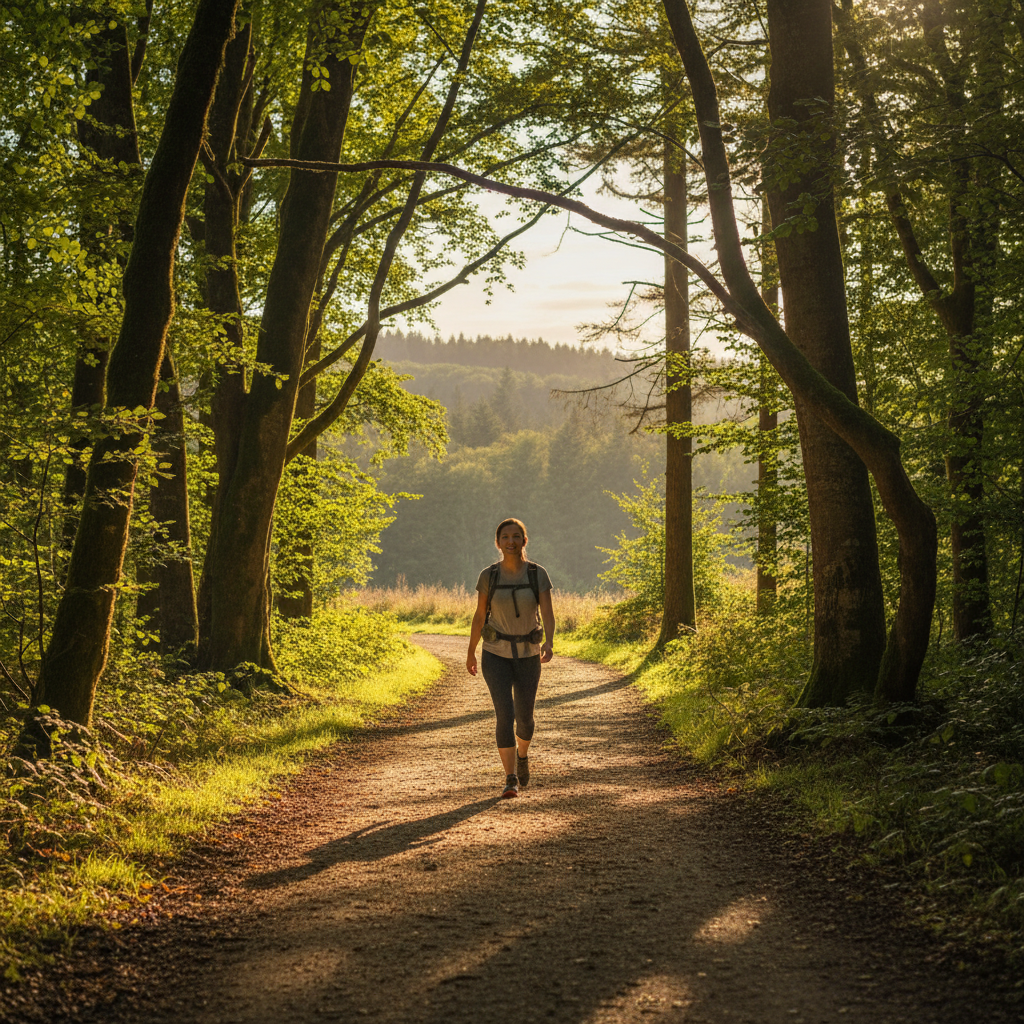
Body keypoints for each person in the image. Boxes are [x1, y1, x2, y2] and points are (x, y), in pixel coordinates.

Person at [467, 517, 554, 798]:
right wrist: (471, 650)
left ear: (524, 541)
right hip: (495, 655)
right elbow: (480, 616)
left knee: (525, 718)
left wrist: (550, 641)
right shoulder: (488, 576)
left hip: (528, 655)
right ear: (498, 543)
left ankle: (523, 756)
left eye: (516, 536)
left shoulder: (537, 574)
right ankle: (510, 777)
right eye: (505, 537)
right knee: (504, 715)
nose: (511, 542)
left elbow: (548, 613)